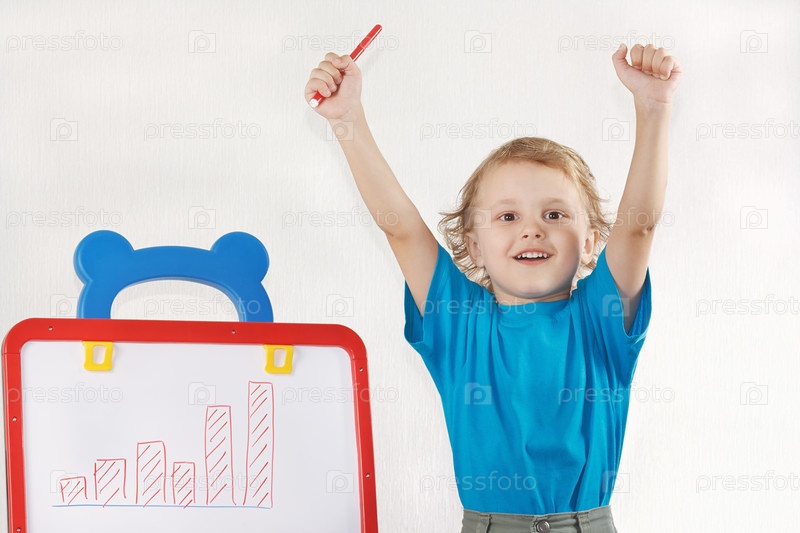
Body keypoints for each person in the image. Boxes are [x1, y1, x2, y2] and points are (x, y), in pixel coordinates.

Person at [305, 40, 681, 533]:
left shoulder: (601, 321)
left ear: (591, 243)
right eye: (507, 216)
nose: (532, 230)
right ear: (474, 246)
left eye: (555, 215)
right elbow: (402, 229)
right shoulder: (459, 323)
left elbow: (638, 227)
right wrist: (347, 119)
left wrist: (654, 109)